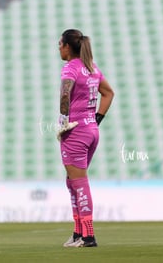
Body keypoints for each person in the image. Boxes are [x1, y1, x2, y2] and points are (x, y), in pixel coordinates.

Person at [57, 29, 114, 247]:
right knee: (72, 181)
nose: (58, 47)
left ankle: (88, 236)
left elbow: (65, 93)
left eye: (60, 43)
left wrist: (63, 120)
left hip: (76, 130)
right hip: (91, 131)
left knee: (79, 183)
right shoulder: (92, 67)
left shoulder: (70, 68)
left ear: (68, 47)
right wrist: (96, 118)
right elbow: (109, 93)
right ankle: (78, 233)